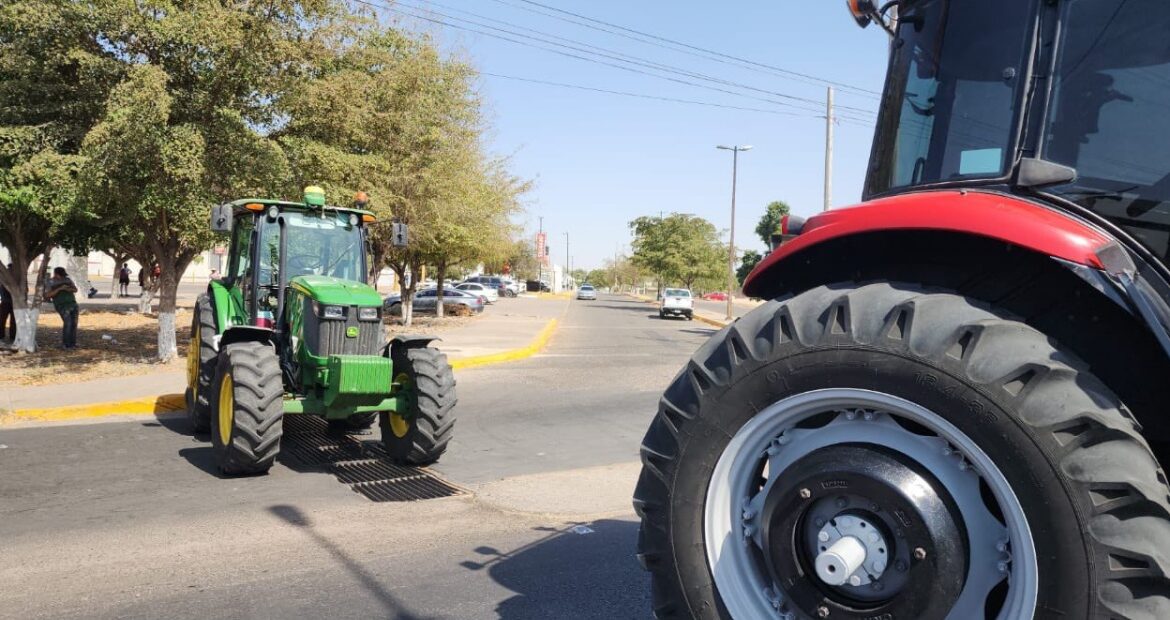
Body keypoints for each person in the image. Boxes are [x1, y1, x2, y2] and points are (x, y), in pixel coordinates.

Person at [44, 267, 79, 349]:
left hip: (72, 304)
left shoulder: (67, 280)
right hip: (62, 305)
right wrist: (59, 289)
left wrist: (68, 289)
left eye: (63, 275)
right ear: (55, 274)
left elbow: (75, 289)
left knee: (74, 324)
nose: (62, 277)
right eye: (60, 276)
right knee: (68, 324)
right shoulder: (50, 282)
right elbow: (47, 295)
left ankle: (72, 344)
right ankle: (65, 344)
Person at [0, 263, 15, 343]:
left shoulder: (17, 278)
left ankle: (12, 336)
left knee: (14, 321)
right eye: (9, 269)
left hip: (15, 303)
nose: (10, 270)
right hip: (5, 302)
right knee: (2, 319)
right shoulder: (3, 278)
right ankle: (1, 335)